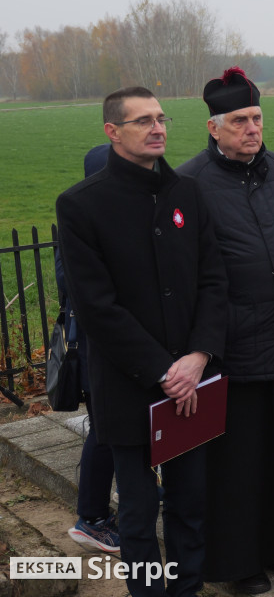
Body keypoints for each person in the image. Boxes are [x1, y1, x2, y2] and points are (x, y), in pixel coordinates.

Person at [56, 87, 227, 597]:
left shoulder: (187, 194)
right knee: (136, 511)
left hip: (192, 380)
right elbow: (96, 308)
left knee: (190, 502)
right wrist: (163, 370)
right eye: (142, 121)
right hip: (130, 385)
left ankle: (187, 588)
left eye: (161, 117)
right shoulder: (81, 206)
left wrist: (197, 357)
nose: (158, 127)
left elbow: (214, 280)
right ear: (113, 131)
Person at [177, 67, 274, 595]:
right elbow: (189, 275)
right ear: (213, 127)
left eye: (257, 118)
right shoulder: (189, 183)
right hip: (234, 345)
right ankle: (240, 563)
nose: (251, 128)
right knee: (241, 466)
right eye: (239, 120)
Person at [59, 147, 119, 554]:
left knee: (111, 430)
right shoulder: (82, 223)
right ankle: (92, 519)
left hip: (107, 350)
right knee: (106, 432)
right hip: (97, 352)